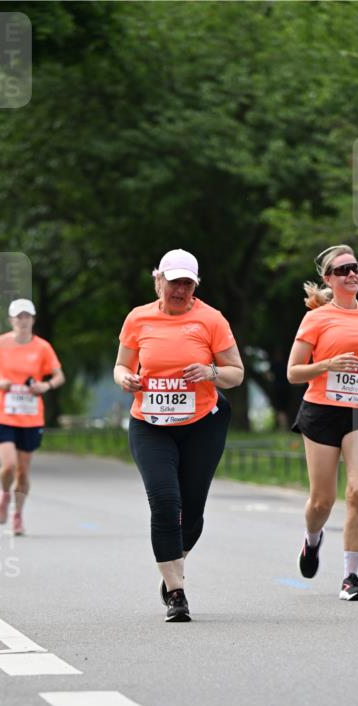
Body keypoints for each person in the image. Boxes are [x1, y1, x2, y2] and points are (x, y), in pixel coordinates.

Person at [114, 249, 244, 622]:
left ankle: (173, 562)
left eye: (187, 283)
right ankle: (176, 592)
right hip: (150, 424)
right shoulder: (138, 318)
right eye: (174, 283)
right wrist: (126, 378)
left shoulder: (211, 319)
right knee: (165, 502)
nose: (180, 290)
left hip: (203, 423)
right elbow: (122, 365)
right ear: (159, 281)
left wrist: (210, 372)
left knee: (193, 511)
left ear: (195, 286)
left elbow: (236, 372)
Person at [287, 244, 358, 601]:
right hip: (321, 411)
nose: (352, 274)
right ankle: (312, 539)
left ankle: (351, 577)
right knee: (322, 501)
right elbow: (292, 372)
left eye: (356, 268)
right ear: (328, 279)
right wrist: (326, 366)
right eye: (343, 270)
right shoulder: (316, 319)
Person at [0, 298, 65, 535]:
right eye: (19, 316)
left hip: (30, 416)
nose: (23, 320)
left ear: (33, 319)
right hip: (1, 412)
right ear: (11, 320)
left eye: (27, 316)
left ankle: (17, 514)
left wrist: (45, 386)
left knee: (23, 472)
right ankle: (4, 494)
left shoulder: (43, 347)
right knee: (8, 466)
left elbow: (59, 376)